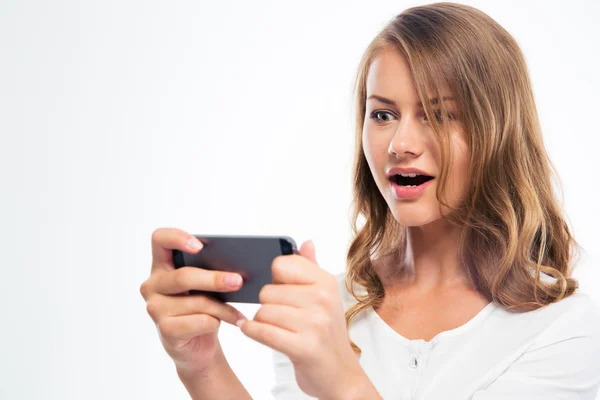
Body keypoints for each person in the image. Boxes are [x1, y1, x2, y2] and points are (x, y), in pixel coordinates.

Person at [139, 2, 600, 399]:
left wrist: (342, 382)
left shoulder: (564, 327)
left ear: (497, 132)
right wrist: (201, 367)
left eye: (438, 115)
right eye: (382, 114)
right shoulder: (327, 308)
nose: (400, 143)